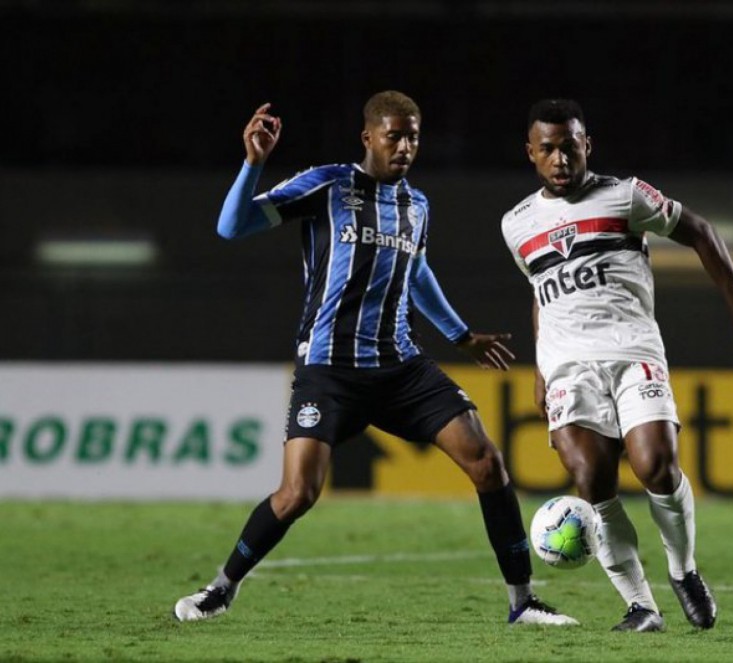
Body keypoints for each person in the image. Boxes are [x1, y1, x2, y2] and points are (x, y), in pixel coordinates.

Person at [173, 92, 577, 627]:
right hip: (329, 370)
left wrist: (460, 336)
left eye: (413, 136)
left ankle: (521, 601)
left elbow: (418, 275)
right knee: (298, 494)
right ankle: (221, 589)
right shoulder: (327, 185)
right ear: (368, 137)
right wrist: (253, 163)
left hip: (399, 366)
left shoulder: (417, 206)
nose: (406, 146)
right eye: (395, 136)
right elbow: (232, 226)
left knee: (487, 462)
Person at [500, 99, 733, 632]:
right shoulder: (516, 224)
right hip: (567, 368)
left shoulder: (625, 195)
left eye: (569, 146)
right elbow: (542, 292)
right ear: (531, 153)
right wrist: (540, 369)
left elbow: (699, 230)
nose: (560, 158)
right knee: (591, 478)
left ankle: (684, 570)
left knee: (656, 465)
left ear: (588, 145)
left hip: (633, 352)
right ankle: (641, 607)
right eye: (548, 149)